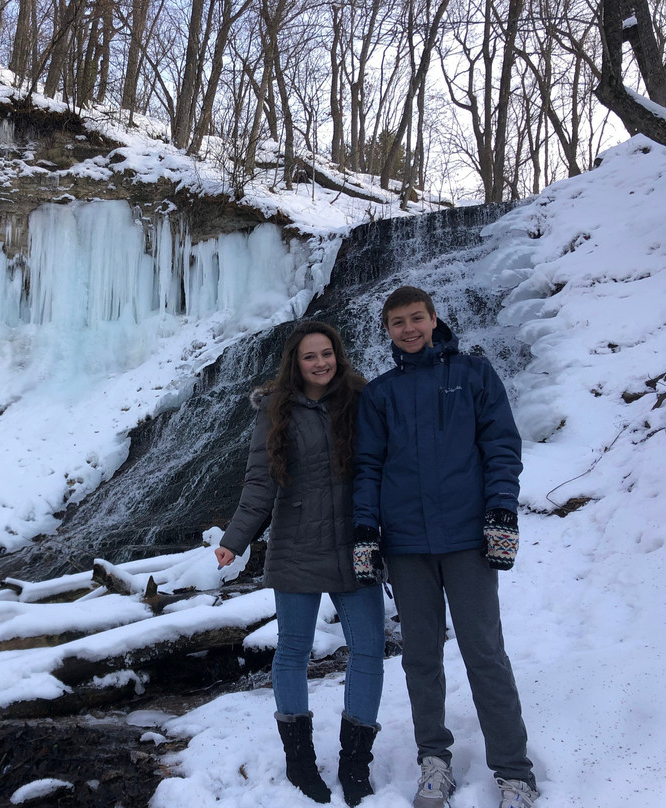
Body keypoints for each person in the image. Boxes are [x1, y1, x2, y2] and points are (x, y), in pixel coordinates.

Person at [352, 286, 538, 808]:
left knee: (484, 654)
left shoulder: (475, 375)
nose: (408, 329)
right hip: (406, 545)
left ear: (434, 319)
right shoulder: (380, 394)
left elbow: (501, 447)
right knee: (420, 659)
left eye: (416, 318)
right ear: (387, 330)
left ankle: (514, 772)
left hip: (467, 541)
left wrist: (501, 513)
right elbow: (367, 468)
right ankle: (433, 760)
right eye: (397, 322)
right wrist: (365, 531)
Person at [215, 320, 385, 806]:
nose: (320, 363)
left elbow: (386, 467)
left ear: (338, 355)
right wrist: (235, 539)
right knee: (293, 651)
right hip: (296, 543)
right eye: (310, 356)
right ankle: (300, 760)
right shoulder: (276, 409)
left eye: (326, 353)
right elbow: (260, 481)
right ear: (295, 361)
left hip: (356, 544)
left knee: (368, 650)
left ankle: (356, 763)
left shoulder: (361, 398)